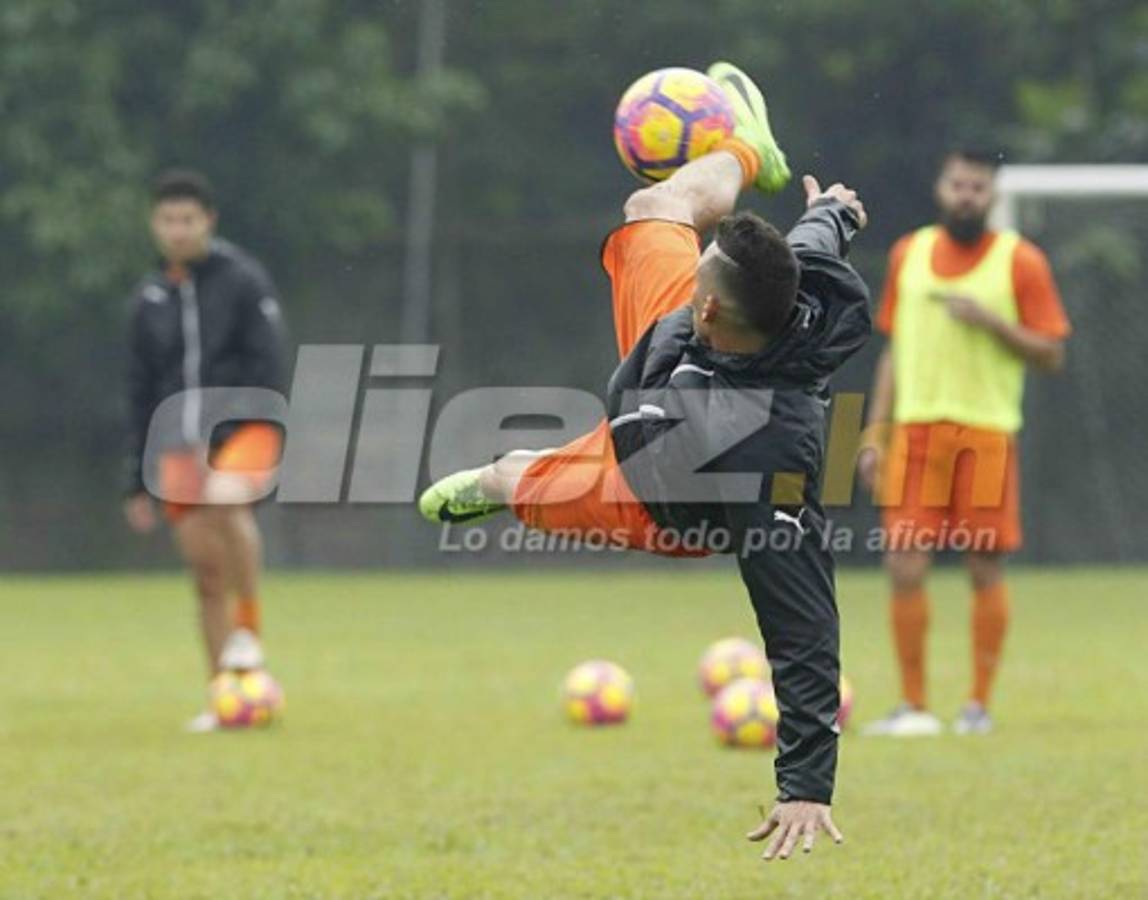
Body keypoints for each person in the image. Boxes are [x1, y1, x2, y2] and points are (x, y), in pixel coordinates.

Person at [420, 63, 871, 860]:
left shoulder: (773, 463)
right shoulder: (763, 293)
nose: (688, 263)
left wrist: (805, 782)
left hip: (652, 491)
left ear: (705, 304)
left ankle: (499, 483)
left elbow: (803, 625)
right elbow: (800, 246)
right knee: (653, 206)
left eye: (697, 272)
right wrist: (832, 212)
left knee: (507, 474)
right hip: (663, 378)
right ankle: (740, 148)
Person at [858, 149, 1071, 737]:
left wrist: (993, 323)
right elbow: (893, 352)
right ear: (940, 186)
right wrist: (876, 430)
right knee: (902, 564)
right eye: (958, 184)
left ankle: (976, 706)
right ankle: (914, 706)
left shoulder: (1020, 261)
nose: (967, 195)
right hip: (917, 433)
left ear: (993, 195)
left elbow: (1052, 354)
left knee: (983, 566)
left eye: (979, 187)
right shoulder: (910, 254)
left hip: (986, 432)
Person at [122, 170, 288, 733]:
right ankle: (225, 696)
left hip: (245, 432)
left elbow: (269, 362)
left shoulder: (242, 279)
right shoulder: (149, 298)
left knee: (225, 499)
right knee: (204, 575)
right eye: (167, 220)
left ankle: (248, 633)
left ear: (208, 221)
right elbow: (140, 394)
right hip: (174, 448)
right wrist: (135, 479)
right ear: (154, 224)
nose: (177, 230)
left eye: (187, 219)